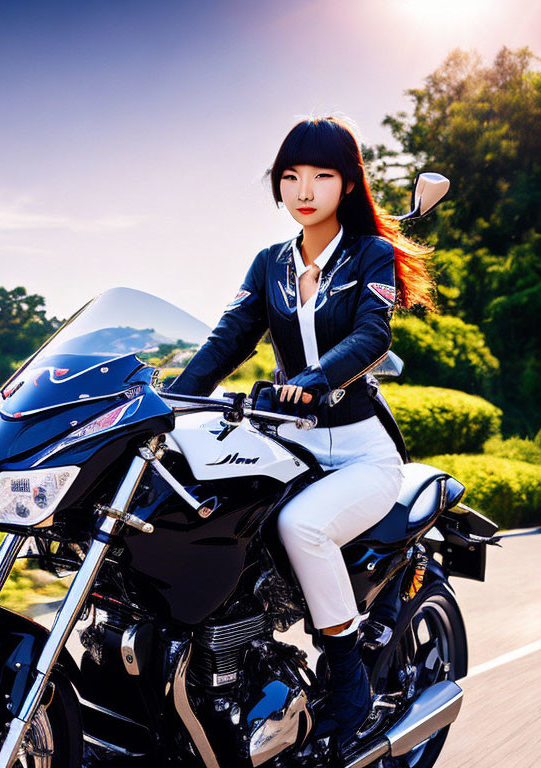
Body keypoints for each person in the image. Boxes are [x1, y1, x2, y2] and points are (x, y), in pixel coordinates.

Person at [169, 116, 435, 750]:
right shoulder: (269, 265)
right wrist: (169, 399)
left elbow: (373, 335)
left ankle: (346, 680)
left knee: (301, 527)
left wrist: (314, 378)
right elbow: (226, 341)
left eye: (321, 175)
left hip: (360, 454)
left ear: (347, 184)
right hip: (292, 448)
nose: (304, 189)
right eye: (290, 176)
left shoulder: (370, 254)